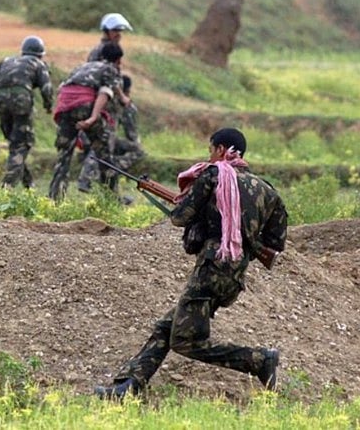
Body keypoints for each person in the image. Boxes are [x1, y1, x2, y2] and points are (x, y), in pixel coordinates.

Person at [94, 128, 289, 399]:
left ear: (221, 150)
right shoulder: (267, 190)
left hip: (210, 268)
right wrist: (243, 239)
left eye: (211, 150)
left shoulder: (213, 175)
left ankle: (258, 360)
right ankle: (129, 387)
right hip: (233, 275)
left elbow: (180, 217)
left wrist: (189, 208)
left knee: (185, 342)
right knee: (166, 326)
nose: (209, 156)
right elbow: (276, 241)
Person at [48, 42, 124, 202]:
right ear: (118, 60)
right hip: (84, 106)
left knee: (63, 156)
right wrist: (93, 117)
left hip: (65, 106)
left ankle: (54, 199)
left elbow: (62, 88)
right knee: (103, 155)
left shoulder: (82, 67)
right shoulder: (111, 69)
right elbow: (105, 93)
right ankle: (111, 201)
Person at [0, 36, 54, 189]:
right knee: (22, 144)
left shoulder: (6, 61)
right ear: (40, 54)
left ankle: (29, 185)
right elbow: (47, 88)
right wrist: (48, 106)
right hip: (21, 103)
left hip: (0, 102)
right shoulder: (38, 63)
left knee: (15, 145)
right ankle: (6, 187)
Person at [77, 75, 145, 199]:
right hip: (102, 139)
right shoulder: (123, 103)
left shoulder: (100, 95)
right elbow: (132, 134)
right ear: (127, 90)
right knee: (138, 150)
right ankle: (112, 167)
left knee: (102, 144)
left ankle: (87, 179)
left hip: (84, 136)